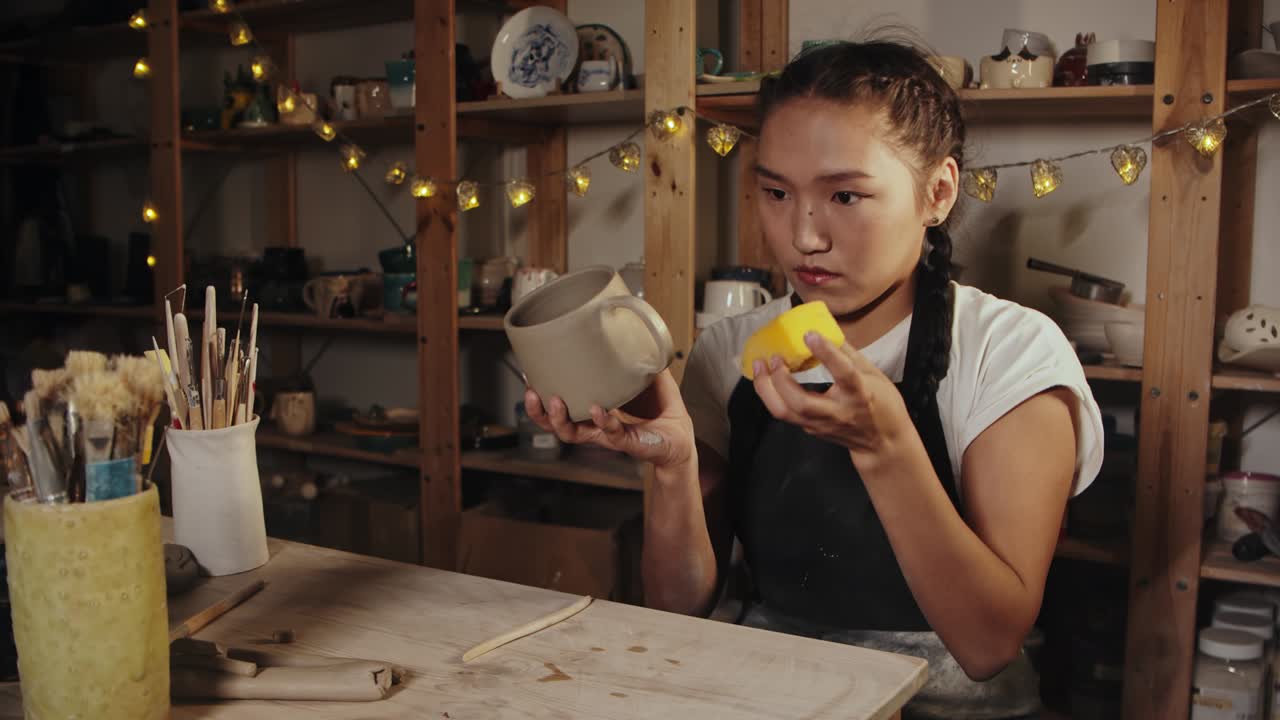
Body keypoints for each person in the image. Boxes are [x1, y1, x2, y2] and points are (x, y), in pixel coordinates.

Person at [525, 39, 1103, 719]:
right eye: (775, 191)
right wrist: (676, 468)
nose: (803, 237)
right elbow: (679, 605)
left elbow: (987, 645)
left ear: (937, 193)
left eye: (846, 195)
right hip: (768, 693)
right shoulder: (730, 349)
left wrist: (886, 447)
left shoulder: (1009, 353)